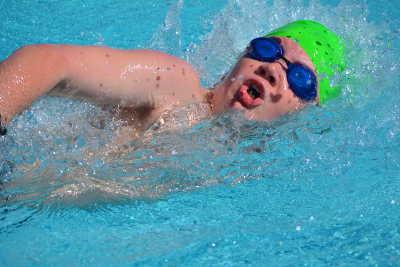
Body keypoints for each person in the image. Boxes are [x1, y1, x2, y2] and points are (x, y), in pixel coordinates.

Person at [0, 20, 345, 136]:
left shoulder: (247, 172)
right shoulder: (177, 87)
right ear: (240, 56)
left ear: (305, 111)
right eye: (268, 50)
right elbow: (47, 61)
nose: (272, 69)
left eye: (300, 78)